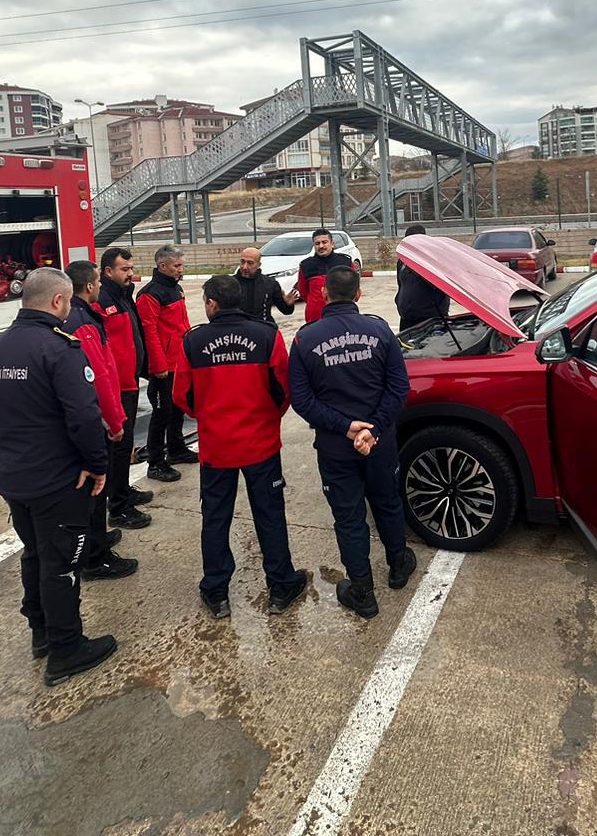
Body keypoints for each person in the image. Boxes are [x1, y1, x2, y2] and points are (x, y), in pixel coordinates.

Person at [0, 266, 120, 686]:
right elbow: (83, 416)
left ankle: (41, 633)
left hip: (14, 477)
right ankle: (66, 649)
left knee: (34, 553)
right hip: (58, 481)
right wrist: (97, 464)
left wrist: (13, 445)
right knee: (62, 563)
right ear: (58, 301)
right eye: (67, 302)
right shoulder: (60, 349)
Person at [174, 275, 310, 619]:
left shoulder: (193, 341)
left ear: (211, 304)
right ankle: (281, 586)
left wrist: (210, 417)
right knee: (270, 515)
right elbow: (284, 390)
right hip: (260, 445)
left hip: (217, 446)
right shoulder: (266, 335)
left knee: (215, 518)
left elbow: (183, 396)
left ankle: (216, 590)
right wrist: (265, 418)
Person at [289, 265, 416, 618]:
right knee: (387, 503)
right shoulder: (380, 330)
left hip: (336, 447)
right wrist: (372, 430)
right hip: (379, 442)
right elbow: (399, 388)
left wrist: (345, 427)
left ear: (324, 294)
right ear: (358, 294)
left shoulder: (305, 339)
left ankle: (363, 591)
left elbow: (302, 400)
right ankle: (398, 564)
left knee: (349, 518)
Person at [64, 261, 152, 565]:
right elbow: (99, 375)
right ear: (90, 285)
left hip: (115, 392)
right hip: (102, 407)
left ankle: (95, 538)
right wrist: (113, 421)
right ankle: (96, 555)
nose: (100, 285)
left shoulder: (87, 312)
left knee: (95, 480)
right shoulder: (83, 321)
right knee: (95, 480)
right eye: (98, 280)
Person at [97, 246, 158, 504]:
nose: (130, 273)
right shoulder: (102, 300)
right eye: (125, 269)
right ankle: (118, 502)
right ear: (108, 271)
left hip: (130, 381)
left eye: (131, 268)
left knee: (126, 442)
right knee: (118, 445)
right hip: (116, 386)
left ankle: (122, 489)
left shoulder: (123, 295)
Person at [137, 244, 196, 482]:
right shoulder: (149, 295)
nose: (181, 269)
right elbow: (149, 333)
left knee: (178, 407)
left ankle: (176, 448)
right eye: (177, 266)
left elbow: (183, 324)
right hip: (163, 366)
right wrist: (158, 365)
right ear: (163, 266)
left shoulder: (176, 288)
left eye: (181, 265)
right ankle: (155, 463)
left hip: (179, 360)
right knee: (162, 413)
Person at [395, 223, 450, 331]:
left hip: (430, 319)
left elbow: (441, 286)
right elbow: (401, 284)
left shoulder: (433, 261)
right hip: (407, 319)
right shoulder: (402, 261)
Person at [294, 228, 353, 326]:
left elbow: (353, 288)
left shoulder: (345, 262)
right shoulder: (306, 265)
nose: (321, 246)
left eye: (324, 242)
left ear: (332, 244)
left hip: (342, 314)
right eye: (317, 243)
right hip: (315, 317)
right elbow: (303, 293)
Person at [234, 246, 295, 326]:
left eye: (250, 263)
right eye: (242, 262)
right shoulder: (230, 283)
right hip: (238, 328)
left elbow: (286, 311)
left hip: (264, 327)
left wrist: (288, 304)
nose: (245, 267)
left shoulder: (270, 283)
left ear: (258, 265)